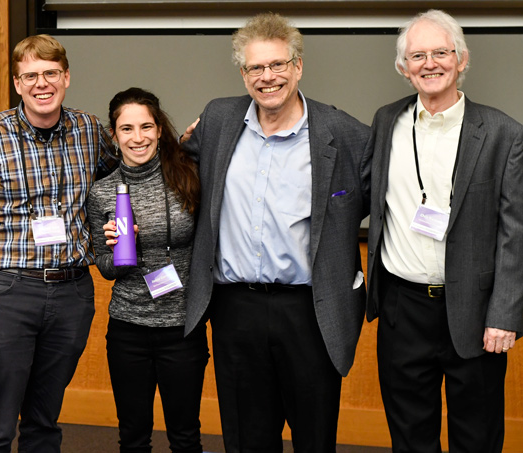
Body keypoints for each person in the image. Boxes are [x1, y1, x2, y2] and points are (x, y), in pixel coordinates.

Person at [180, 13, 371, 452]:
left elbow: (383, 202)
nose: (268, 77)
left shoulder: (344, 133)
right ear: (243, 73)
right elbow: (170, 168)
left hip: (311, 311)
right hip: (235, 310)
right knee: (248, 440)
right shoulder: (219, 120)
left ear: (298, 66)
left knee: (314, 439)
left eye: (278, 65)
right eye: (255, 68)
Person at [0, 34, 117, 453]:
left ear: (67, 77)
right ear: (18, 83)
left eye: (51, 73)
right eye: (31, 75)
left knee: (45, 420)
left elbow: (128, 173)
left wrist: (185, 147)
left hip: (74, 293)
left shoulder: (90, 130)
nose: (43, 84)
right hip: (9, 292)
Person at [365, 9, 522, 452]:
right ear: (403, 67)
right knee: (410, 437)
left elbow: (517, 233)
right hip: (402, 309)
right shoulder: (385, 122)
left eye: (441, 52)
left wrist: (504, 315)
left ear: (462, 59)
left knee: (477, 436)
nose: (429, 63)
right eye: (418, 55)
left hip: (474, 312)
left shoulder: (502, 133)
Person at [87, 87, 209, 453]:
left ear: (159, 129)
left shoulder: (189, 176)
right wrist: (121, 249)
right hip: (129, 329)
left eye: (146, 127)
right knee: (134, 434)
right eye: (127, 129)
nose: (137, 138)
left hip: (182, 327)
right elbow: (106, 269)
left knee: (185, 433)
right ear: (114, 135)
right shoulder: (102, 194)